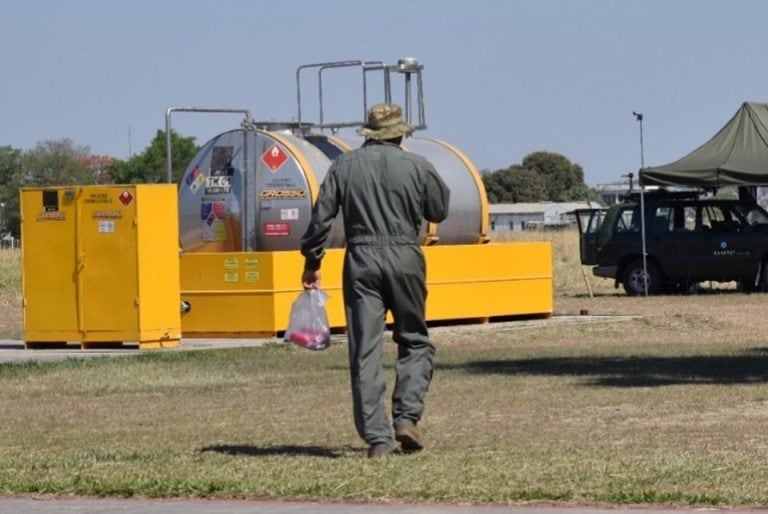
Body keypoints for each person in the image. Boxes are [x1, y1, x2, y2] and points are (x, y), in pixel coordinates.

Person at [300, 103, 450, 458]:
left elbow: (321, 220)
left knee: (365, 349)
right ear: (401, 133)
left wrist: (312, 262)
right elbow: (438, 211)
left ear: (369, 132)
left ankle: (378, 439)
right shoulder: (417, 165)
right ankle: (406, 418)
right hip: (405, 256)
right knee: (414, 339)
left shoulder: (344, 165)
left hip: (361, 259)